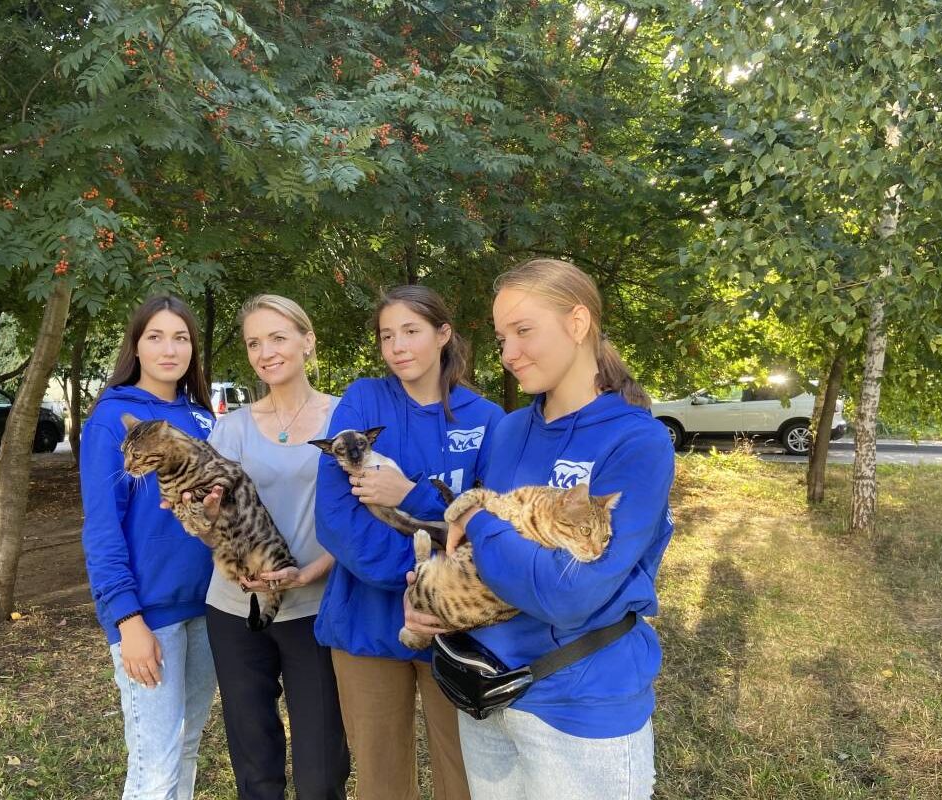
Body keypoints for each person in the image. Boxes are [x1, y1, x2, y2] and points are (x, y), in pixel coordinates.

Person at [431, 259, 675, 800]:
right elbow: (478, 556)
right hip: (489, 693)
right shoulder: (509, 429)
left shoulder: (638, 444)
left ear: (578, 322)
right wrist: (438, 596)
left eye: (523, 331)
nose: (508, 353)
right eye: (500, 337)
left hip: (581, 712)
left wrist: (477, 517)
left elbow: (570, 593)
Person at [314, 285, 505, 800]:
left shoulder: (487, 420)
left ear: (443, 335)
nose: (398, 346)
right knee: (379, 777)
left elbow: (489, 526)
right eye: (386, 335)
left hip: (454, 620)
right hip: (368, 619)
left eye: (411, 331)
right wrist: (413, 576)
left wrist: (413, 495)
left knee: (464, 773)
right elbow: (334, 515)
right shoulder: (362, 400)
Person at [199, 294, 350, 800]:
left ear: (308, 341)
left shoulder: (342, 418)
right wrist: (205, 520)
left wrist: (313, 572)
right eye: (254, 343)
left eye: (278, 337)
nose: (266, 352)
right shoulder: (232, 427)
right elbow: (212, 518)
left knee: (322, 762)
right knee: (254, 756)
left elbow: (363, 515)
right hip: (236, 610)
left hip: (316, 608)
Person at [79, 295, 220, 800]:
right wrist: (126, 619)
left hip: (208, 607)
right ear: (136, 346)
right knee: (154, 765)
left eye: (180, 337)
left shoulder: (203, 418)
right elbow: (101, 525)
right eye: (155, 337)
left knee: (186, 745)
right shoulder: (114, 419)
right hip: (149, 614)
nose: (169, 348)